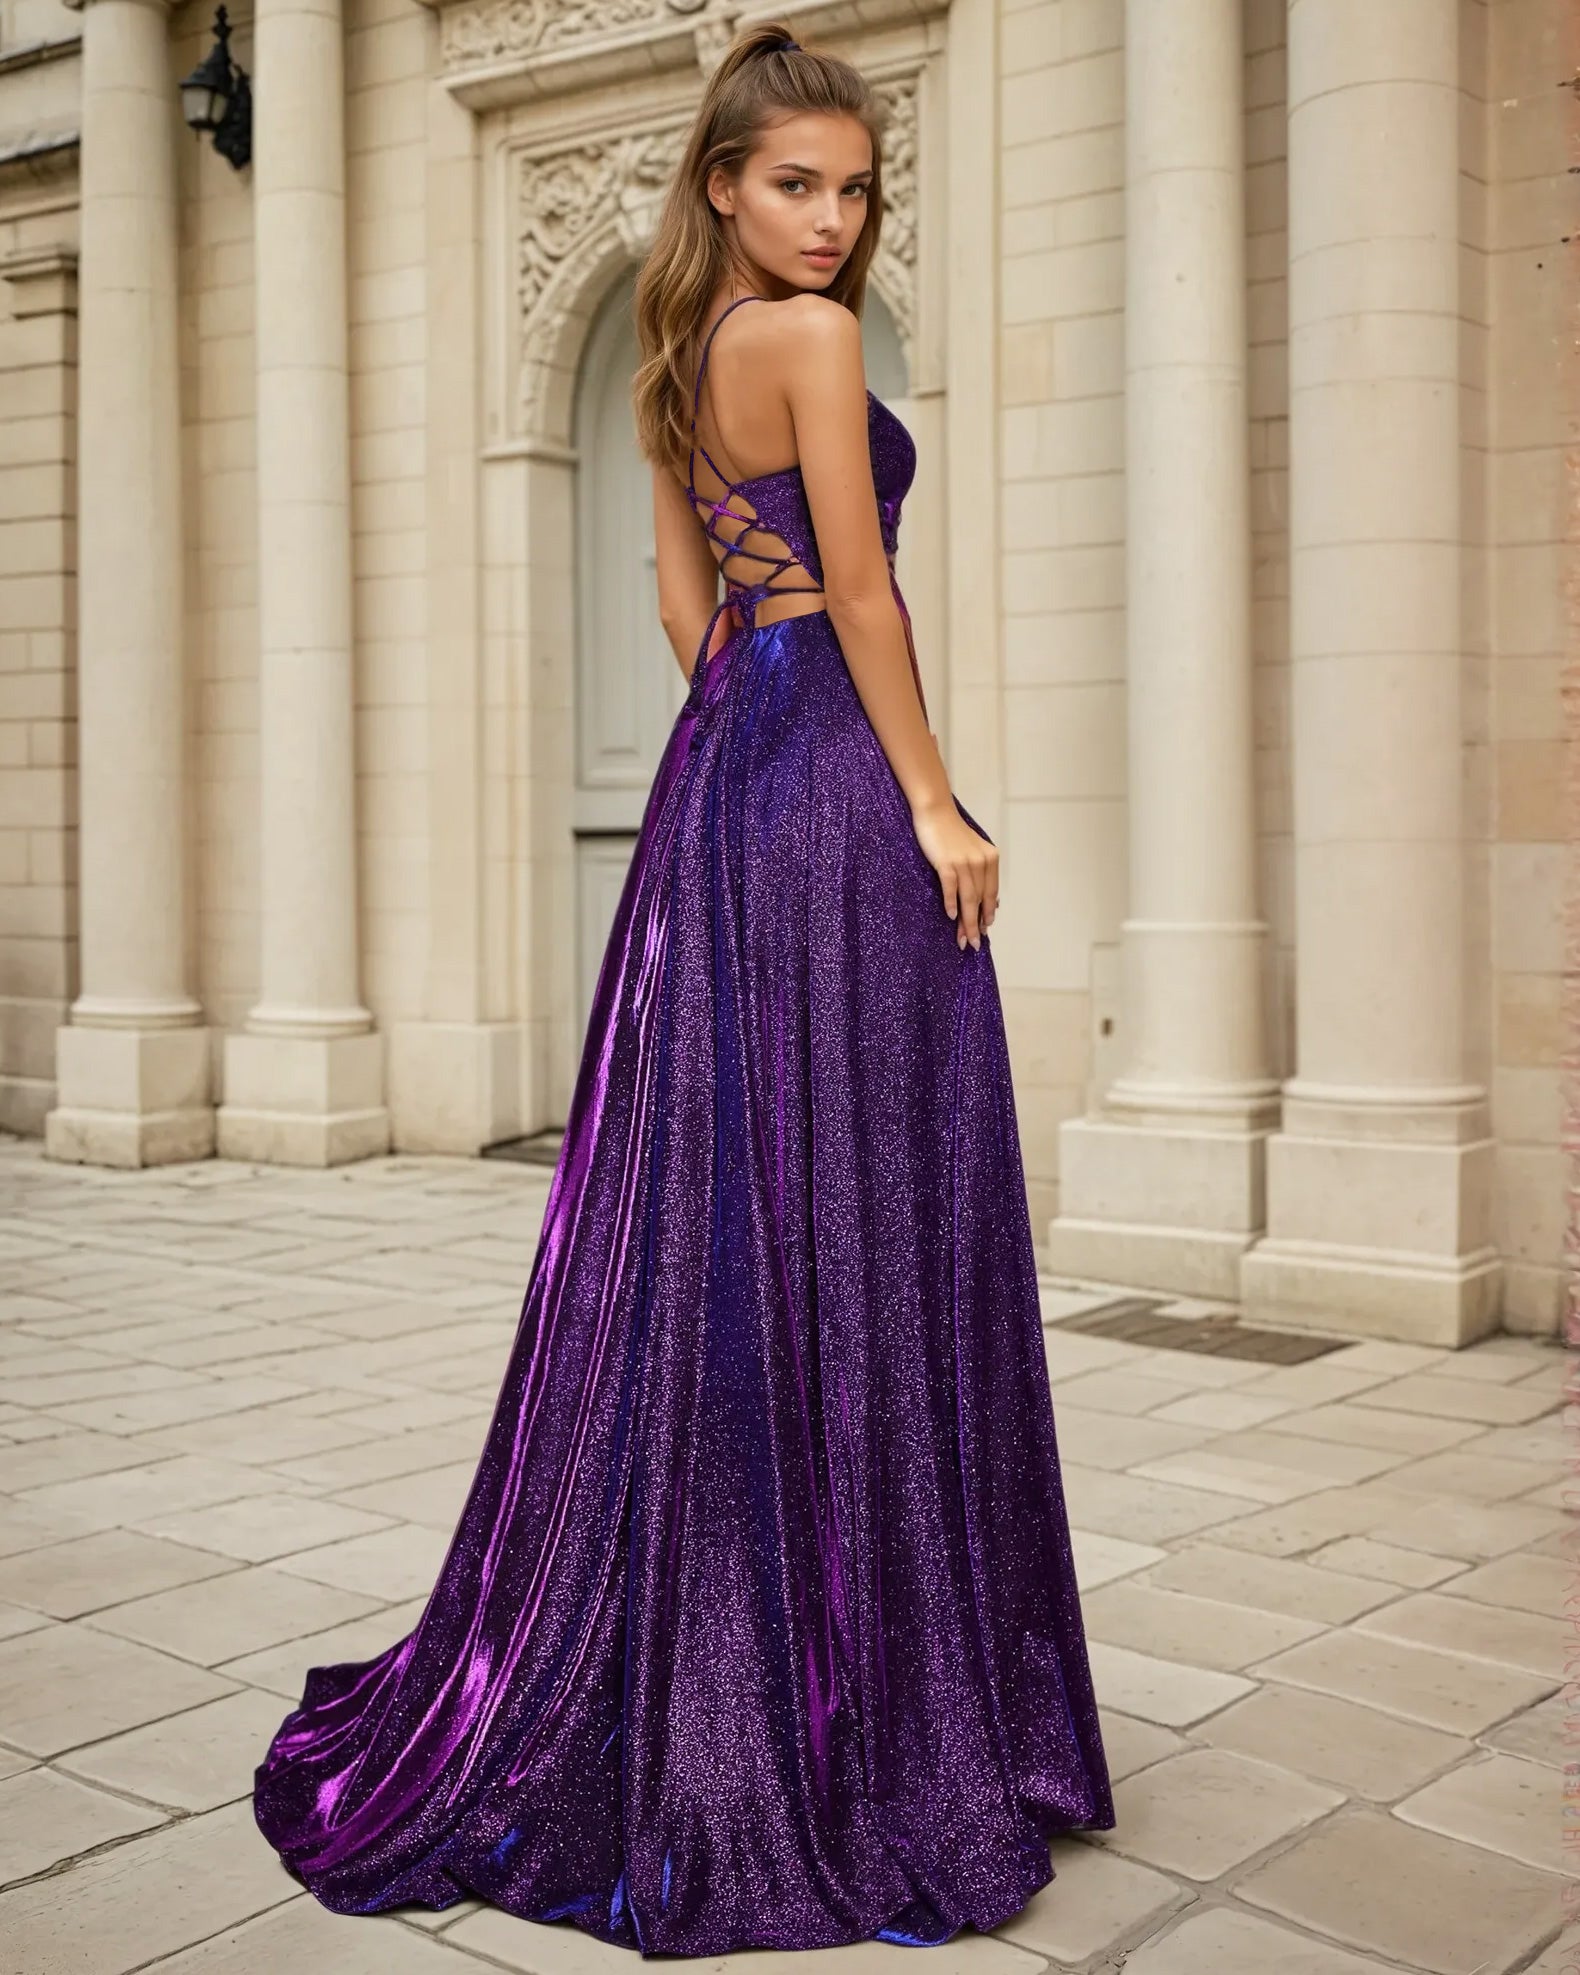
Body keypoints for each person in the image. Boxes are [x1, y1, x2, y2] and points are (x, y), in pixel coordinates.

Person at [252, 21, 1114, 1956]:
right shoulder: (807, 343)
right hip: (825, 769)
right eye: (796, 183)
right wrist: (927, 804)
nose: (830, 220)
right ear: (724, 178)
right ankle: (874, 1707)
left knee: (731, 1212)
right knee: (869, 1198)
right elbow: (866, 594)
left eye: (856, 189)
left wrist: (753, 746)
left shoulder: (668, 346)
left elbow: (682, 610)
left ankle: (738, 1657)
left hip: (720, 776)